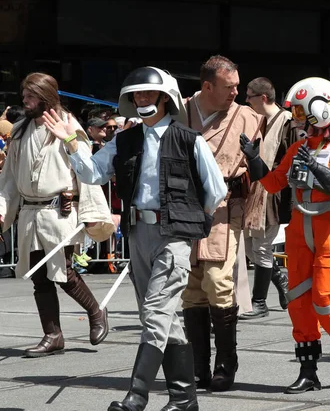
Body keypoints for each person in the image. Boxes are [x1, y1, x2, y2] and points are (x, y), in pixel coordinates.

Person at [43, 66, 227, 411]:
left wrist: (187, 219)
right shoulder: (124, 140)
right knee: (162, 318)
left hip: (173, 234)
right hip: (137, 233)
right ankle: (185, 399)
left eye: (148, 93)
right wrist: (71, 142)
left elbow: (215, 191)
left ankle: (137, 396)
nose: (141, 99)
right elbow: (94, 173)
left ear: (165, 98)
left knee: (156, 312)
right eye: (136, 95)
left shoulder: (190, 140)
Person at [240, 77, 330, 393]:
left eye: (299, 113)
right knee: (297, 300)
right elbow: (272, 183)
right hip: (300, 227)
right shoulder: (297, 147)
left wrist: (319, 169)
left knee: (324, 298)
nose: (296, 119)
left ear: (319, 111)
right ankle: (309, 372)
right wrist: (254, 159)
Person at [0, 73, 114, 358]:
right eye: (24, 96)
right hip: (30, 212)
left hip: (59, 212)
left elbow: (86, 168)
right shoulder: (19, 130)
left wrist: (89, 209)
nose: (25, 102)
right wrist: (2, 209)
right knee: (40, 278)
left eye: (30, 97)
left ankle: (96, 311)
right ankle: (53, 335)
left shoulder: (68, 125)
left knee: (64, 273)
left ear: (46, 96)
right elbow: (10, 177)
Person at [182, 55, 265, 392]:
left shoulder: (247, 117)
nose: (236, 93)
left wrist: (256, 159)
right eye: (229, 87)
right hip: (184, 210)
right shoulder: (179, 110)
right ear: (207, 86)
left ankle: (226, 362)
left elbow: (261, 173)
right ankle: (198, 364)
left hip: (223, 210)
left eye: (237, 86)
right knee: (190, 288)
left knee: (217, 279)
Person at [240, 77, 291, 319]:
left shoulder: (287, 123)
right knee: (251, 248)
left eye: (248, 96)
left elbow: (291, 161)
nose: (245, 100)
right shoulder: (258, 122)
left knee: (260, 248)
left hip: (274, 192)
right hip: (256, 191)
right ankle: (280, 277)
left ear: (262, 98)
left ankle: (259, 302)